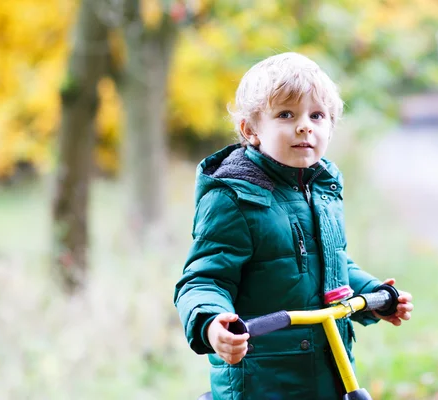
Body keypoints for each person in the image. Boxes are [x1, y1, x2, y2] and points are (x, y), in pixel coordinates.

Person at [173, 52, 413, 399]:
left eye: (317, 115)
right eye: (286, 114)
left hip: (330, 369)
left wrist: (374, 295)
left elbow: (332, 264)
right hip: (263, 380)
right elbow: (204, 278)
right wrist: (212, 323)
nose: (305, 125)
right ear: (250, 129)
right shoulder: (234, 198)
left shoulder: (323, 189)